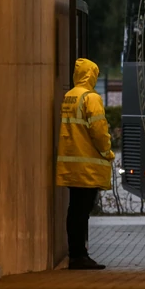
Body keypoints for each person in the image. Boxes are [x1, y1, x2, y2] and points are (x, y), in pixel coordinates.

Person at [56, 58, 115, 270]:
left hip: (71, 163)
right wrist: (107, 152)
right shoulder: (91, 98)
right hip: (87, 165)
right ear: (90, 75)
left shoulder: (69, 96)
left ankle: (75, 254)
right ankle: (79, 255)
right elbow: (99, 131)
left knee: (74, 210)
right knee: (82, 211)